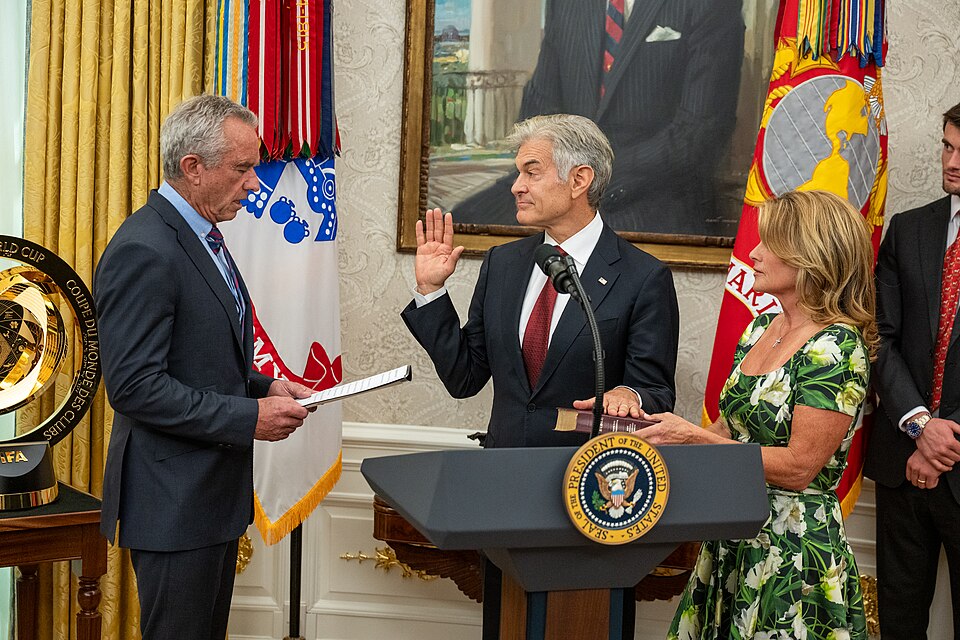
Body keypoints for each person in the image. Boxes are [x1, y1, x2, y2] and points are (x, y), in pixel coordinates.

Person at [95, 95, 313, 639]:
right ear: (193, 168)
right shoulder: (145, 247)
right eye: (243, 168)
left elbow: (198, 356)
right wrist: (249, 417)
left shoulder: (204, 237)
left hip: (207, 500)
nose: (255, 183)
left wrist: (266, 385)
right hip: (172, 505)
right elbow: (135, 387)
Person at [640, 190, 875, 638]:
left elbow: (800, 468)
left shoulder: (837, 348)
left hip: (790, 554)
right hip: (733, 536)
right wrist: (647, 434)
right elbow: (727, 428)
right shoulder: (759, 330)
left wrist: (692, 438)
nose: (753, 253)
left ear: (809, 255)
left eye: (768, 244)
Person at [402, 113, 680, 448]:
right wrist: (432, 291)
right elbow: (465, 379)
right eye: (518, 173)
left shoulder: (643, 277)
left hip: (585, 479)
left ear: (579, 180)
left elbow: (656, 392)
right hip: (501, 469)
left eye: (531, 173)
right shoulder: (502, 263)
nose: (516, 186)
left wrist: (628, 394)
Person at [453, 0, 745, 236]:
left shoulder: (712, 5)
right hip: (558, 187)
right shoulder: (567, 4)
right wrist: (556, 180)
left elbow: (698, 136)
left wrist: (585, 181)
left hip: (649, 193)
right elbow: (538, 111)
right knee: (460, 226)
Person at [865, 102, 960, 638]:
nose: (951, 162)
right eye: (947, 146)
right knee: (899, 622)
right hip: (903, 461)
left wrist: (948, 438)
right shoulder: (910, 229)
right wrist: (921, 425)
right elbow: (881, 336)